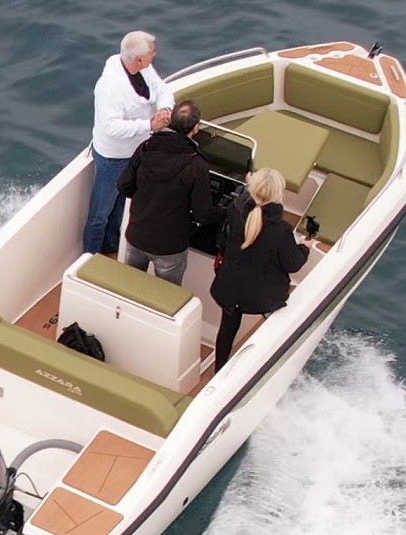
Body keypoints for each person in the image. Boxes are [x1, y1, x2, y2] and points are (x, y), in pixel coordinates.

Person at [209, 168, 328, 365]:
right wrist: (304, 247)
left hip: (229, 287)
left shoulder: (234, 210)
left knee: (227, 330)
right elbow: (292, 264)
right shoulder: (281, 230)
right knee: (275, 324)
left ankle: (218, 369)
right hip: (263, 297)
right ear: (278, 194)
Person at [83, 30, 171, 255]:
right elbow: (110, 127)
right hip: (113, 158)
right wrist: (149, 125)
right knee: (100, 214)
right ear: (139, 59)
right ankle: (90, 257)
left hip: (135, 152)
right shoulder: (110, 87)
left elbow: (161, 88)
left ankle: (111, 247)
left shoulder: (144, 69)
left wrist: (164, 108)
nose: (155, 55)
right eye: (152, 52)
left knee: (121, 204)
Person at [117, 99, 215, 283]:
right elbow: (203, 214)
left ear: (172, 120)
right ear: (195, 128)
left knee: (130, 284)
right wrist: (226, 210)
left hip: (137, 235)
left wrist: (146, 197)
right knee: (167, 292)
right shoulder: (197, 165)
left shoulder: (145, 148)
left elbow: (124, 186)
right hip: (169, 246)